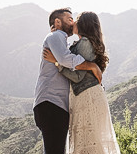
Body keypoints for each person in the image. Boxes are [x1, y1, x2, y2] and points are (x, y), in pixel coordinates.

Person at [43, 11, 120, 154]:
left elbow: (77, 76)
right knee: (87, 142)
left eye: (75, 20)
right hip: (82, 95)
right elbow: (69, 58)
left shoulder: (85, 43)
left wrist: (57, 62)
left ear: (83, 24)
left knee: (88, 143)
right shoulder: (82, 43)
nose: (73, 23)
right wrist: (57, 37)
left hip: (87, 96)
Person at [34, 8, 103, 154]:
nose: (72, 23)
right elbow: (66, 60)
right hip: (51, 102)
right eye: (69, 19)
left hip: (55, 104)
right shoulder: (56, 36)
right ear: (57, 22)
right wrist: (91, 66)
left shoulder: (60, 39)